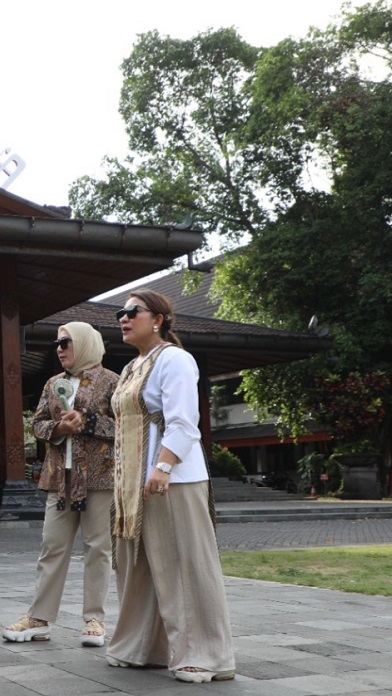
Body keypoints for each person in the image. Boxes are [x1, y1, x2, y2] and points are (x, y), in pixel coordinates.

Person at [105, 289, 236, 683]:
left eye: (133, 312)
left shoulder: (176, 359)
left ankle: (206, 654)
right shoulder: (132, 367)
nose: (124, 318)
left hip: (172, 478)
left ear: (158, 318)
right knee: (143, 565)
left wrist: (163, 466)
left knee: (185, 563)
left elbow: (183, 421)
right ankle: (143, 645)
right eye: (120, 313)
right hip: (133, 484)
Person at [3, 322, 119, 647]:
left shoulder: (112, 381)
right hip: (60, 478)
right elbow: (37, 424)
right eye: (57, 343)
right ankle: (39, 618)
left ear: (83, 343)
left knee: (98, 547)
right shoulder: (53, 383)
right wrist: (58, 428)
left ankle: (94, 619)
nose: (59, 348)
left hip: (99, 477)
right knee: (52, 546)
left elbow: (126, 425)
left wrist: (88, 422)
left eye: (66, 342)